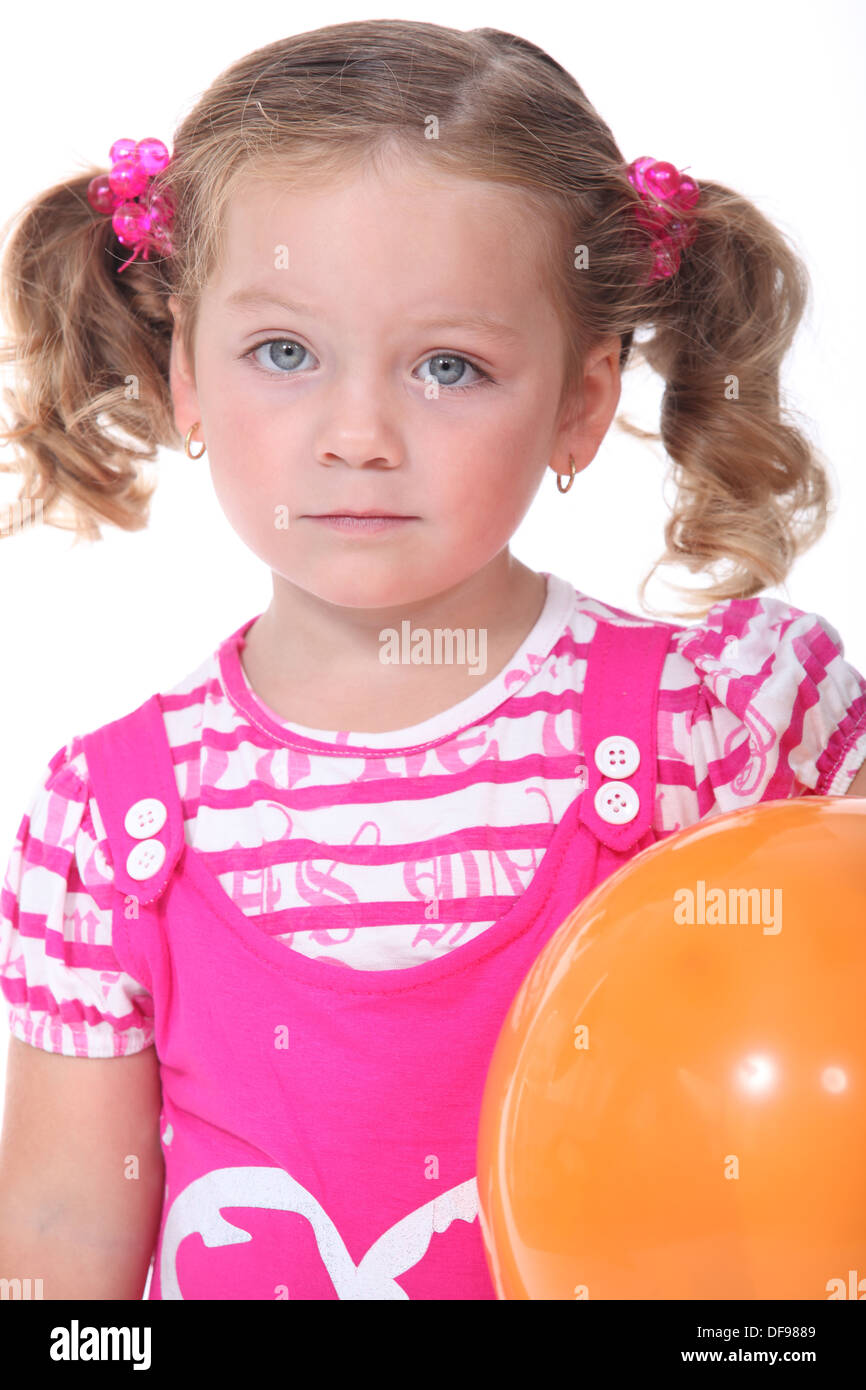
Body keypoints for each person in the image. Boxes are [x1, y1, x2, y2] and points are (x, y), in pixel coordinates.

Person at [0, 20, 864, 1302]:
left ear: (580, 400)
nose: (358, 435)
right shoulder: (114, 816)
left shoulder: (726, 723)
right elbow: (66, 1235)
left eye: (448, 367)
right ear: (184, 372)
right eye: (283, 352)